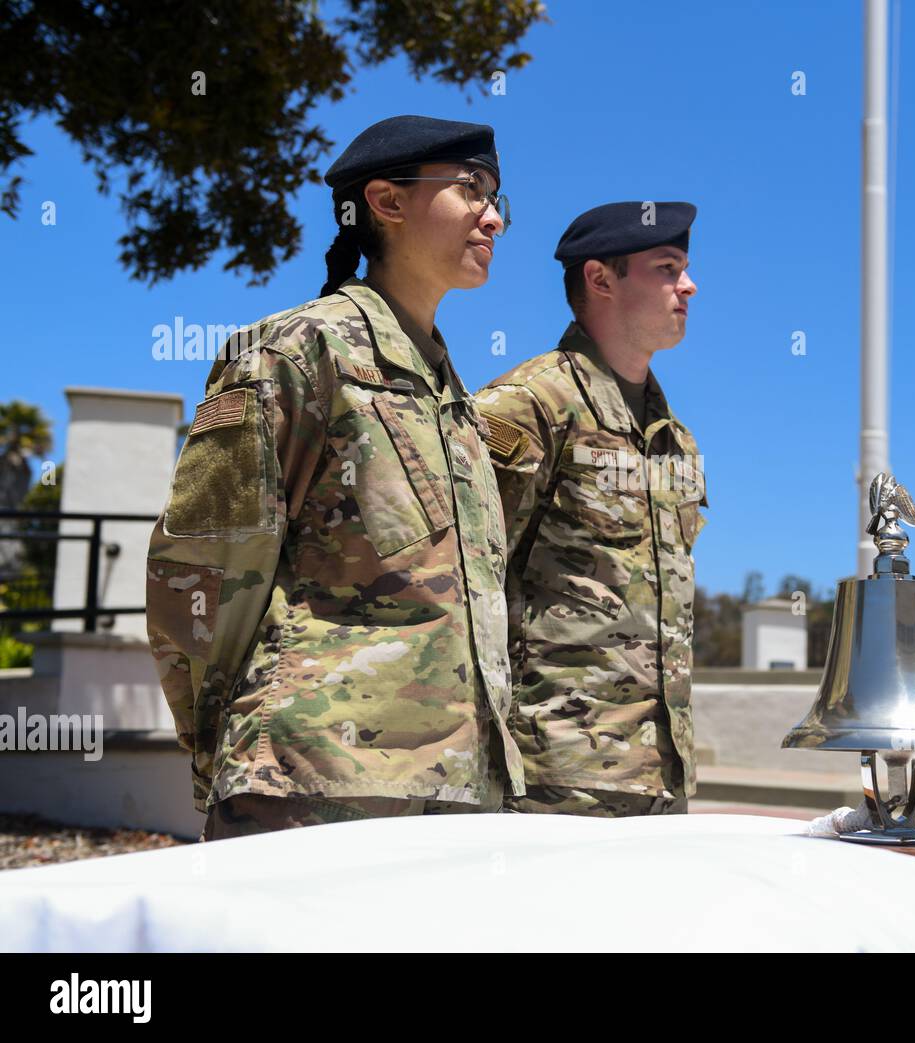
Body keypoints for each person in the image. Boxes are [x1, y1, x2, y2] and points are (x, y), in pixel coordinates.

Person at [145, 115, 525, 839]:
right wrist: (225, 752)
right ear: (386, 202)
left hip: (459, 793)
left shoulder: (458, 404)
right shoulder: (297, 352)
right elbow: (201, 568)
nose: (495, 216)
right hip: (314, 784)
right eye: (472, 189)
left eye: (499, 196)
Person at [475, 201, 707, 817]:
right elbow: (467, 583)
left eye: (684, 268)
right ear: (601, 280)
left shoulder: (672, 438)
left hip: (662, 773)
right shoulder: (527, 405)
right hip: (551, 774)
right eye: (666, 267)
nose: (688, 285)